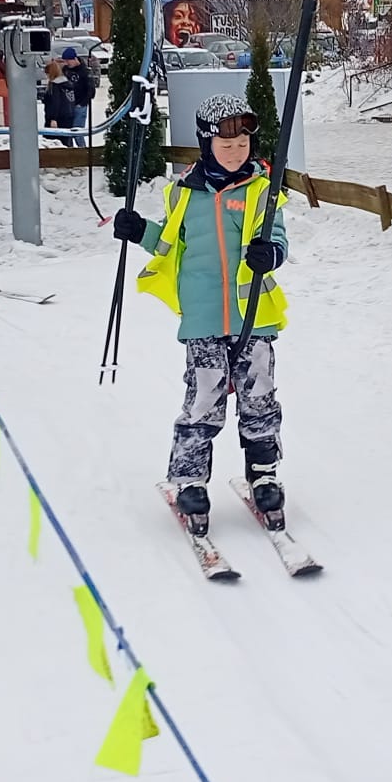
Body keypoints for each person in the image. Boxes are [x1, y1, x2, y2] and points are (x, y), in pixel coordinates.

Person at [111, 92, 289, 534]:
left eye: (243, 144)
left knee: (259, 395)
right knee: (205, 397)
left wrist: (270, 253)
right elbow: (170, 243)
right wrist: (140, 230)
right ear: (206, 143)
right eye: (226, 145)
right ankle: (190, 479)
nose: (235, 152)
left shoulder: (263, 191)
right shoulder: (183, 194)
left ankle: (263, 474)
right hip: (203, 316)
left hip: (253, 315)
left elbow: (279, 239)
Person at [60, 46, 97, 146]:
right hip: (67, 106)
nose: (67, 63)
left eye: (68, 61)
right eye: (65, 61)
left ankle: (83, 150)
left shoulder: (85, 72)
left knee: (77, 133)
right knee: (67, 133)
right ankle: (70, 152)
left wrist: (83, 103)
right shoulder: (65, 70)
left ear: (75, 59)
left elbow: (91, 90)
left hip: (80, 106)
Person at [40, 58, 77, 146]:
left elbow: (55, 102)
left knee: (53, 143)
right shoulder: (67, 84)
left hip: (57, 118)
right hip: (69, 116)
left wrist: (53, 118)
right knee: (67, 140)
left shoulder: (55, 86)